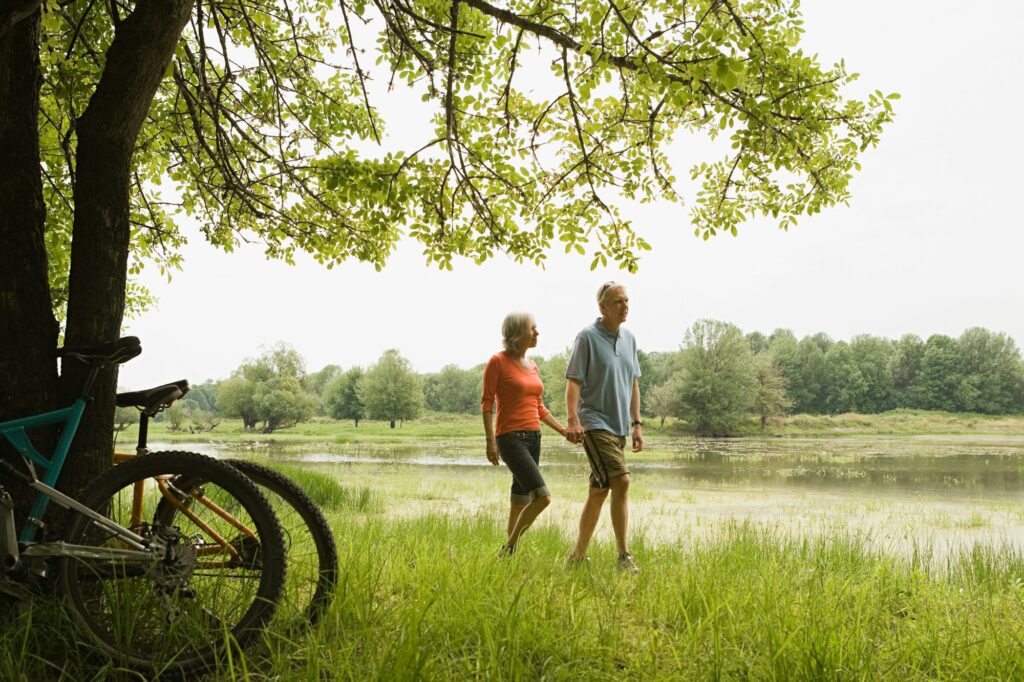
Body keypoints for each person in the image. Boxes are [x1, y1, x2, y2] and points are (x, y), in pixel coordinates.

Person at [564, 282, 644, 572]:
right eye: (618, 302)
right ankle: (624, 556)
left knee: (599, 491)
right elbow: (573, 381)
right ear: (603, 307)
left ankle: (576, 558)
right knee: (621, 480)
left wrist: (636, 423)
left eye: (627, 300)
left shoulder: (630, 339)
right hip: (594, 422)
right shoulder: (586, 337)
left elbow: (633, 383)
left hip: (620, 425)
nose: (625, 306)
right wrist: (573, 420)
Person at [482, 312, 568, 554]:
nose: (537, 332)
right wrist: (491, 442)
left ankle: (509, 557)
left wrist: (563, 430)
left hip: (534, 437)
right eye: (533, 328)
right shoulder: (497, 362)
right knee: (542, 497)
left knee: (519, 498)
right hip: (510, 438)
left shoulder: (533, 365)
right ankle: (507, 549)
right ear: (518, 334)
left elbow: (538, 406)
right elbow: (487, 403)